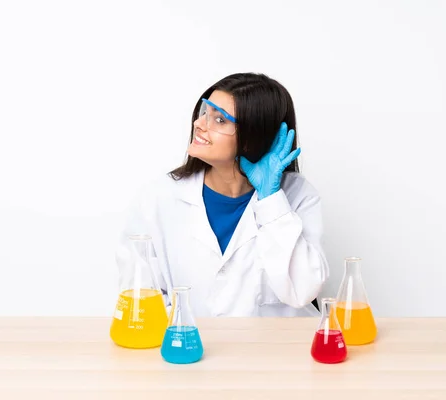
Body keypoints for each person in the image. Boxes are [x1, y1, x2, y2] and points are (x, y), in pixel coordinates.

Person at [116, 72, 329, 317]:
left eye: (219, 120)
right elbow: (139, 294)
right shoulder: (157, 198)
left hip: (276, 351)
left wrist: (271, 201)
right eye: (204, 112)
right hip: (189, 347)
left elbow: (304, 290)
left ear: (253, 137)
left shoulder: (299, 195)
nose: (200, 124)